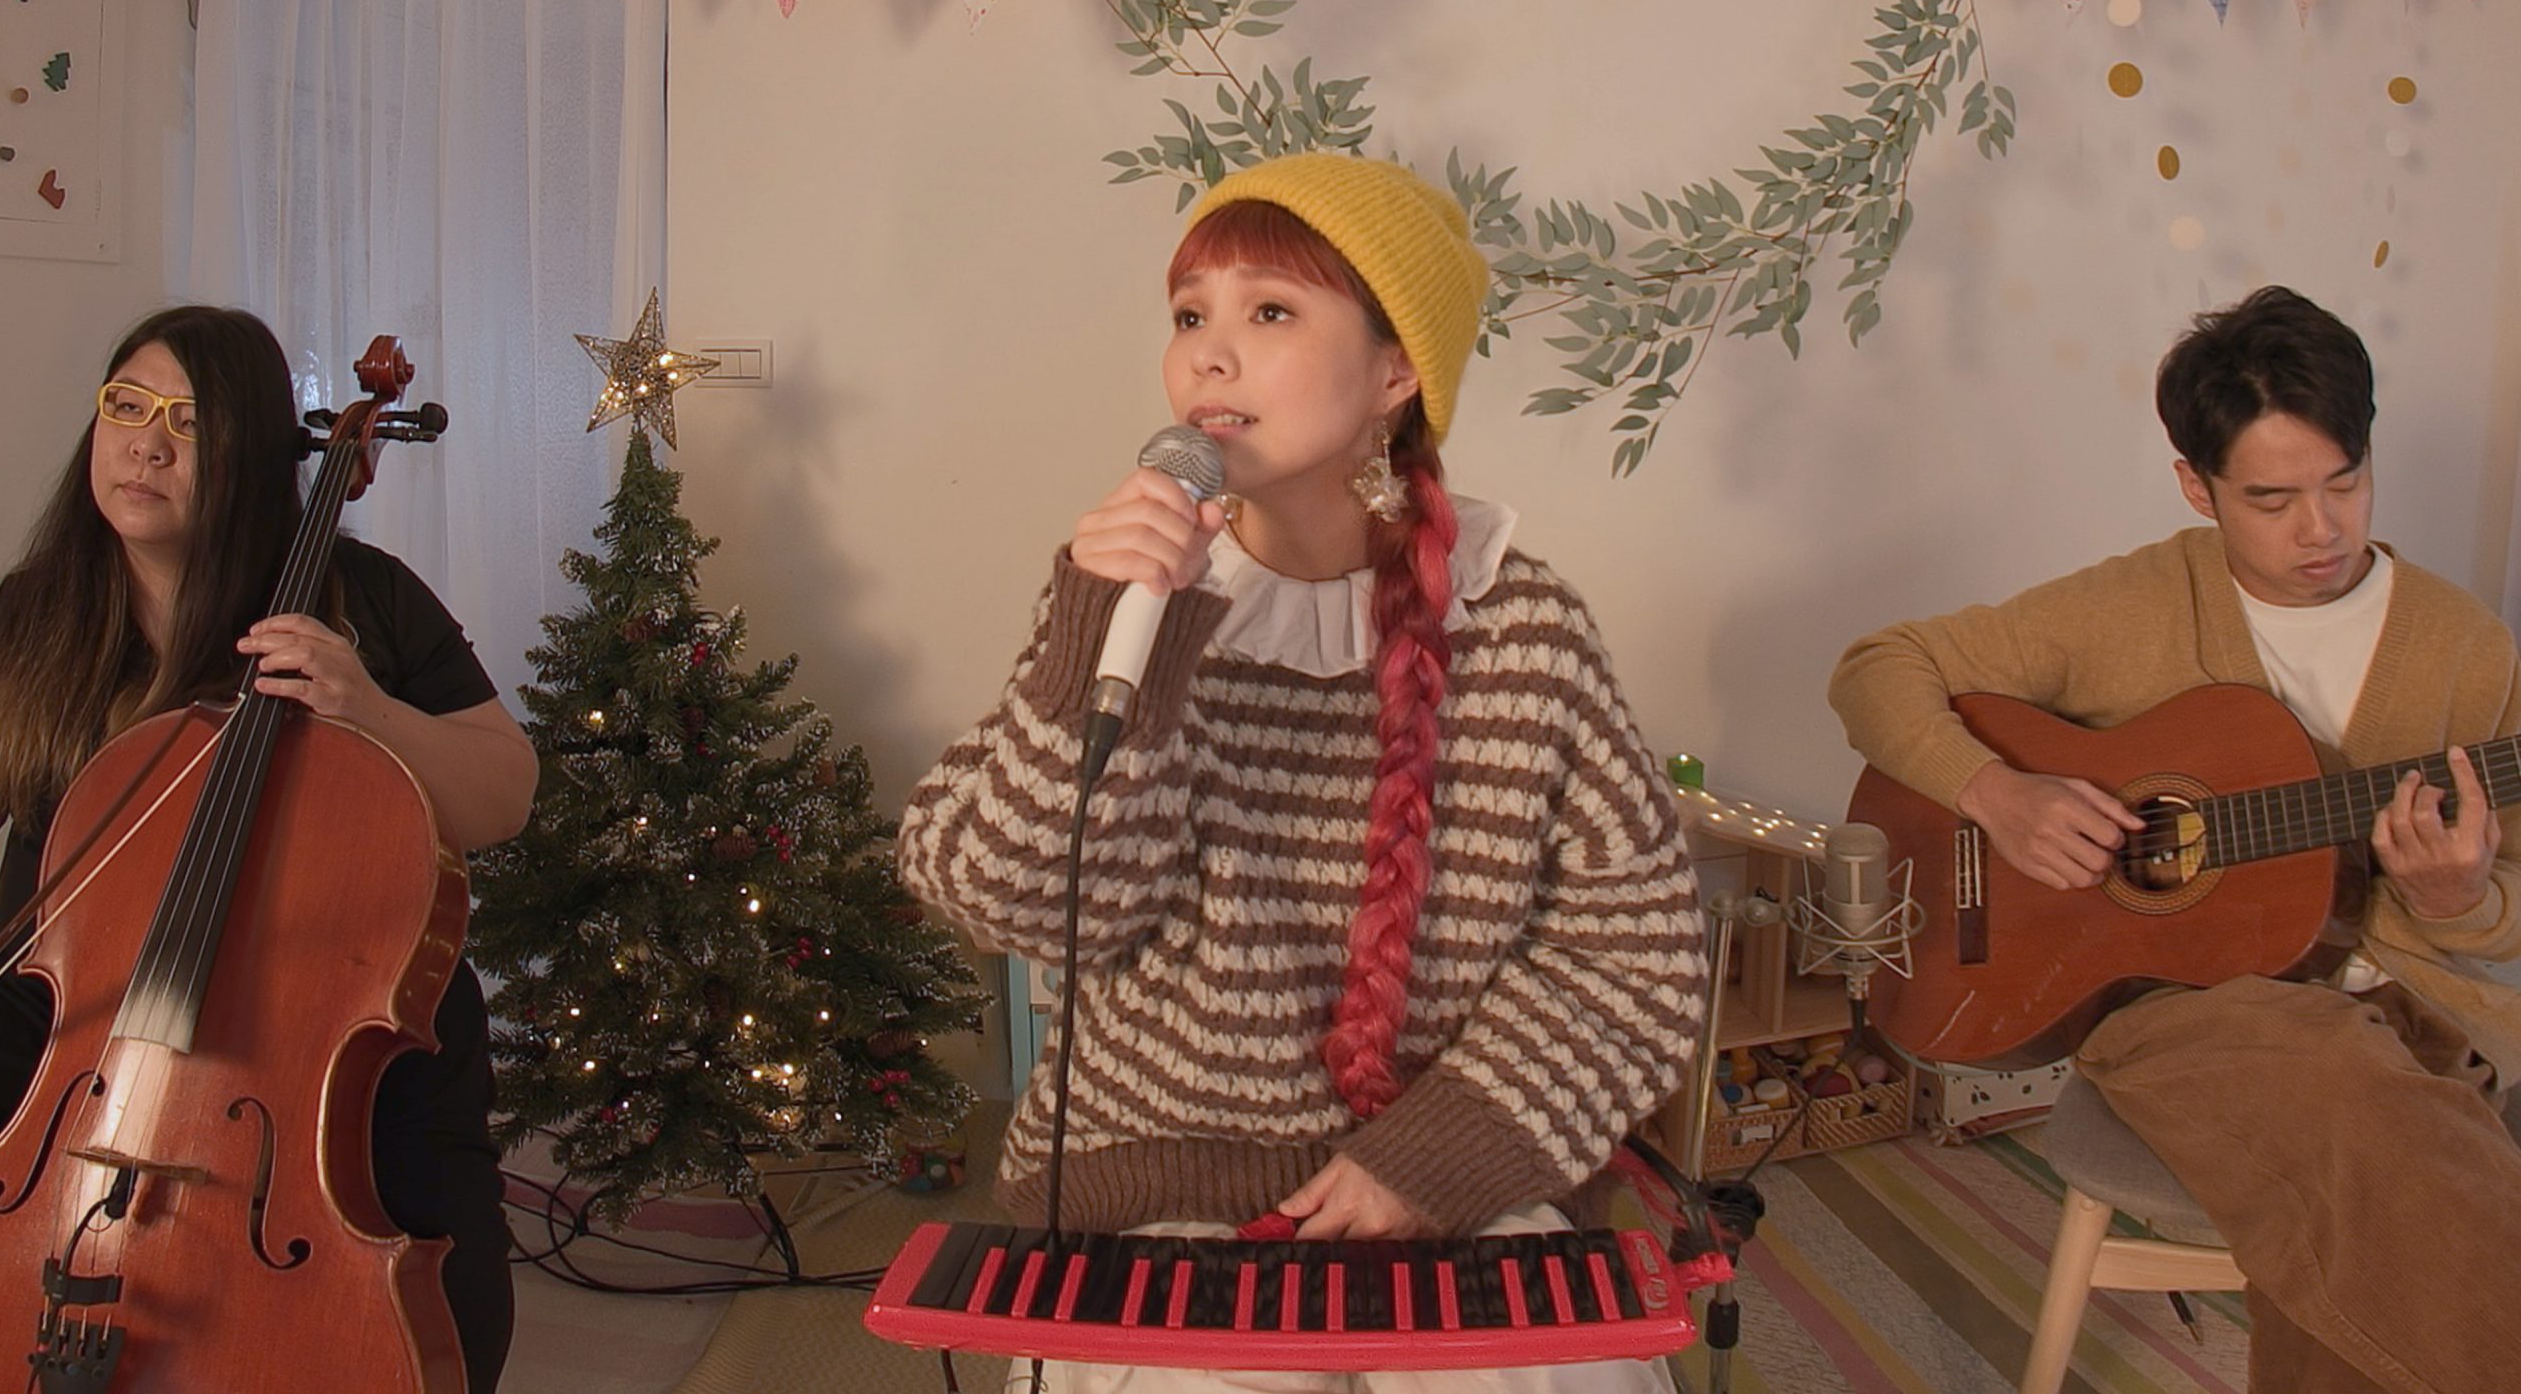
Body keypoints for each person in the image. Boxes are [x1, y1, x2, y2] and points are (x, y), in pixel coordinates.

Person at [898, 153, 1707, 1393]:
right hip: (1156, 1200)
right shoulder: (1126, 608)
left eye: (1269, 311)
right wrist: (1106, 637)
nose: (1207, 359)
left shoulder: (1523, 630)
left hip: (1459, 1192)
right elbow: (1018, 902)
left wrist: (1437, 1159)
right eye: (1188, 317)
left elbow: (1633, 951)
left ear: (1395, 373)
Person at [1830, 285, 2521, 1392]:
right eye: (2271, 498)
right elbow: (1878, 670)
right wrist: (1996, 794)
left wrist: (2461, 900)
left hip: (2412, 1007)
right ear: (2197, 487)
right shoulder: (2137, 604)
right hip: (2191, 1011)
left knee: (2374, 1176)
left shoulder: (2465, 648)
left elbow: (2505, 898)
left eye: (2345, 481)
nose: (2321, 529)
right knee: (2376, 1122)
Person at [0, 305, 538, 1391]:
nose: (147, 444)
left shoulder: (364, 600)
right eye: (127, 406)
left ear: (259, 455)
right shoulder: (33, 615)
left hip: (318, 1012)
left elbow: (504, 793)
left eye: (190, 423)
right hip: (69, 1010)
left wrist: (370, 710)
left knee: (441, 1276)